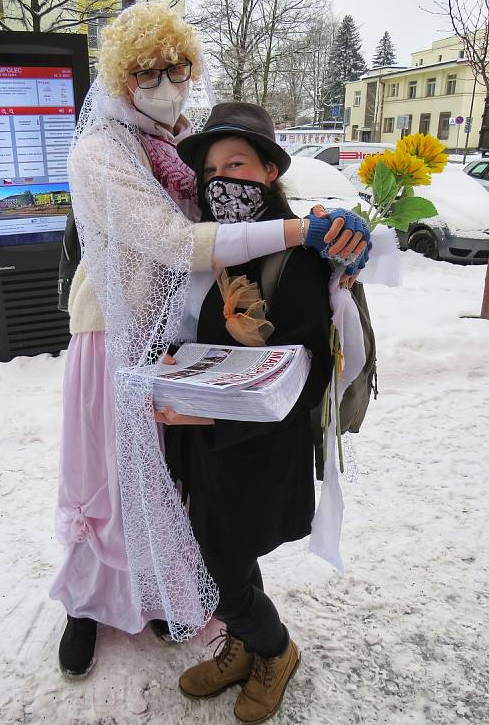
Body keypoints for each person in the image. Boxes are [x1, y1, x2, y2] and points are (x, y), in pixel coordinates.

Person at [49, 2, 371, 679]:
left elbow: (246, 208)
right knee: (105, 477)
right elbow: (177, 241)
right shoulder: (98, 151)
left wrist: (340, 245)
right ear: (120, 76)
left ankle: (154, 587)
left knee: (165, 481)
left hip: (177, 341)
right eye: (148, 71)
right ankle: (86, 603)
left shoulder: (176, 143)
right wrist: (300, 233)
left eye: (178, 67)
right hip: (113, 337)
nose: (166, 81)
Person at [156, 102, 337, 724]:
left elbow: (312, 369)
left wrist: (225, 404)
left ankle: (273, 650)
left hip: (257, 450)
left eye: (237, 163)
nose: (222, 180)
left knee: (216, 569)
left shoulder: (300, 252)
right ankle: (242, 644)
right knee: (219, 554)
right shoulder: (212, 250)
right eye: (210, 171)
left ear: (268, 171)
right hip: (202, 444)